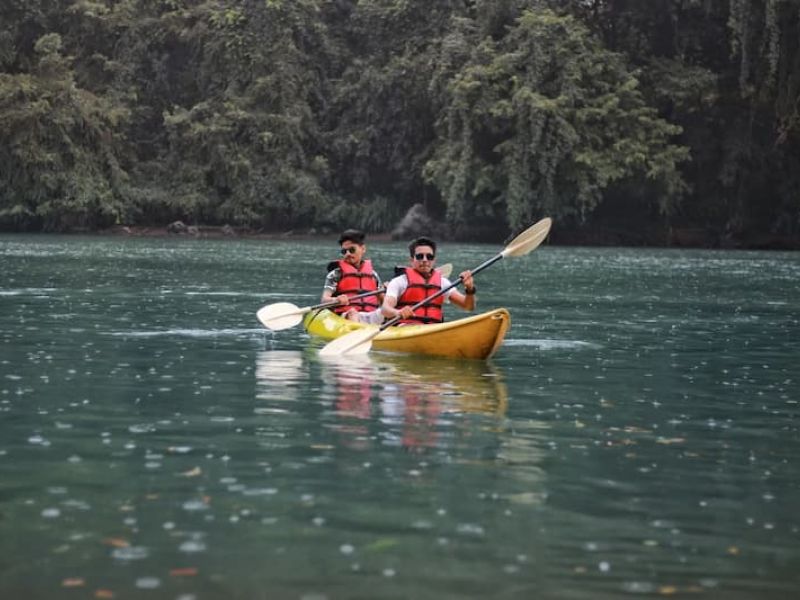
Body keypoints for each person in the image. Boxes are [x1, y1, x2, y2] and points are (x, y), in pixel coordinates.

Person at [381, 236, 476, 324]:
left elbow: (468, 306)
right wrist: (398, 312)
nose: (425, 260)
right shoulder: (400, 282)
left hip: (434, 328)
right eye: (420, 256)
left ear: (434, 260)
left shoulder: (443, 283)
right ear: (411, 260)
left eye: (429, 257)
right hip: (405, 328)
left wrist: (470, 289)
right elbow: (385, 309)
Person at [322, 229, 384, 324]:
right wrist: (336, 299)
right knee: (353, 313)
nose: (348, 254)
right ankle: (357, 330)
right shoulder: (335, 274)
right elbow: (324, 300)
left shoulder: (373, 275)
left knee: (386, 312)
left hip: (370, 315)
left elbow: (383, 301)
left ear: (363, 249)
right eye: (344, 251)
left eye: (352, 250)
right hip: (347, 316)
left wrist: (388, 291)